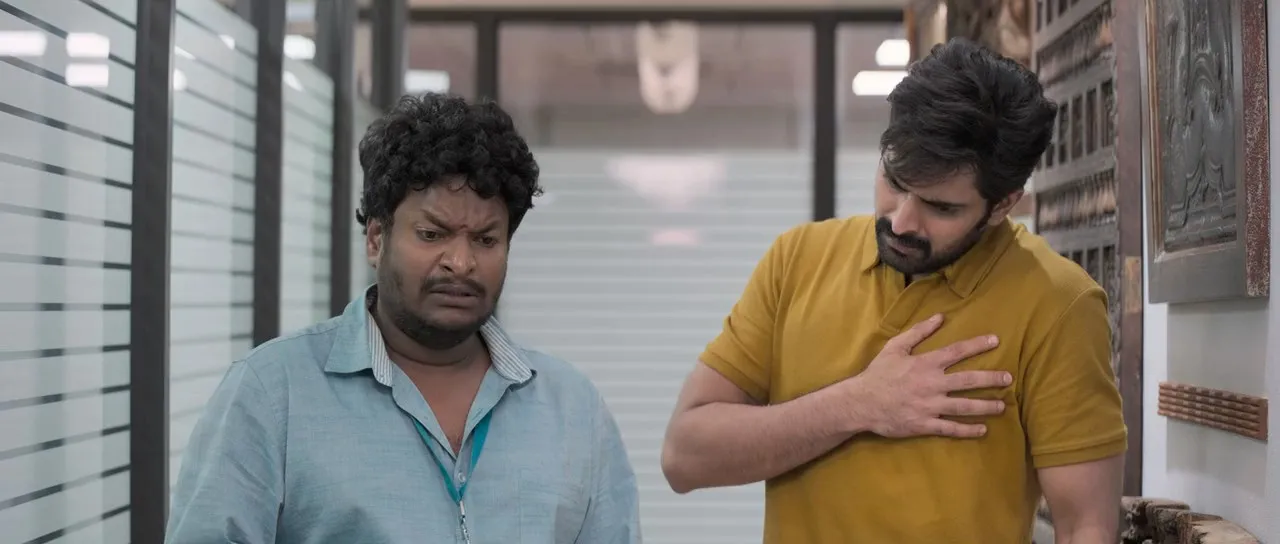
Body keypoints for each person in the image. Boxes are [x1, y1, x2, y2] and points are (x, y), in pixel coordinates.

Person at [660, 38, 1126, 543]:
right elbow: (685, 456)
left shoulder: (1059, 304)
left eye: (940, 207)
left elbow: (1085, 526)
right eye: (895, 181)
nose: (901, 222)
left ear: (1002, 205)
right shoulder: (797, 259)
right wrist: (856, 404)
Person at [166, 93, 641, 544]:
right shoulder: (274, 394)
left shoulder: (572, 409)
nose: (461, 262)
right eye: (432, 234)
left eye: (485, 240)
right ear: (376, 239)